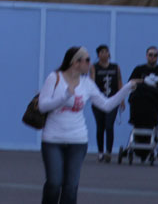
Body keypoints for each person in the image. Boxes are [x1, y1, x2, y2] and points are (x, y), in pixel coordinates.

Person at [38, 46, 138, 204]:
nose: (90, 63)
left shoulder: (87, 84)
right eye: (87, 60)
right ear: (75, 62)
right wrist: (65, 96)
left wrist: (127, 88)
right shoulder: (55, 78)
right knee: (54, 183)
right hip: (53, 139)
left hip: (78, 140)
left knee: (71, 186)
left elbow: (106, 104)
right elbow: (42, 106)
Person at [89, 44, 123, 163]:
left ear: (109, 54)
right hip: (99, 101)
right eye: (101, 52)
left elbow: (119, 82)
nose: (104, 54)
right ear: (98, 55)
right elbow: (91, 83)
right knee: (100, 127)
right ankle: (100, 152)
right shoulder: (94, 67)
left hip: (112, 100)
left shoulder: (115, 67)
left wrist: (121, 99)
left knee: (109, 125)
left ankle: (108, 151)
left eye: (106, 51)